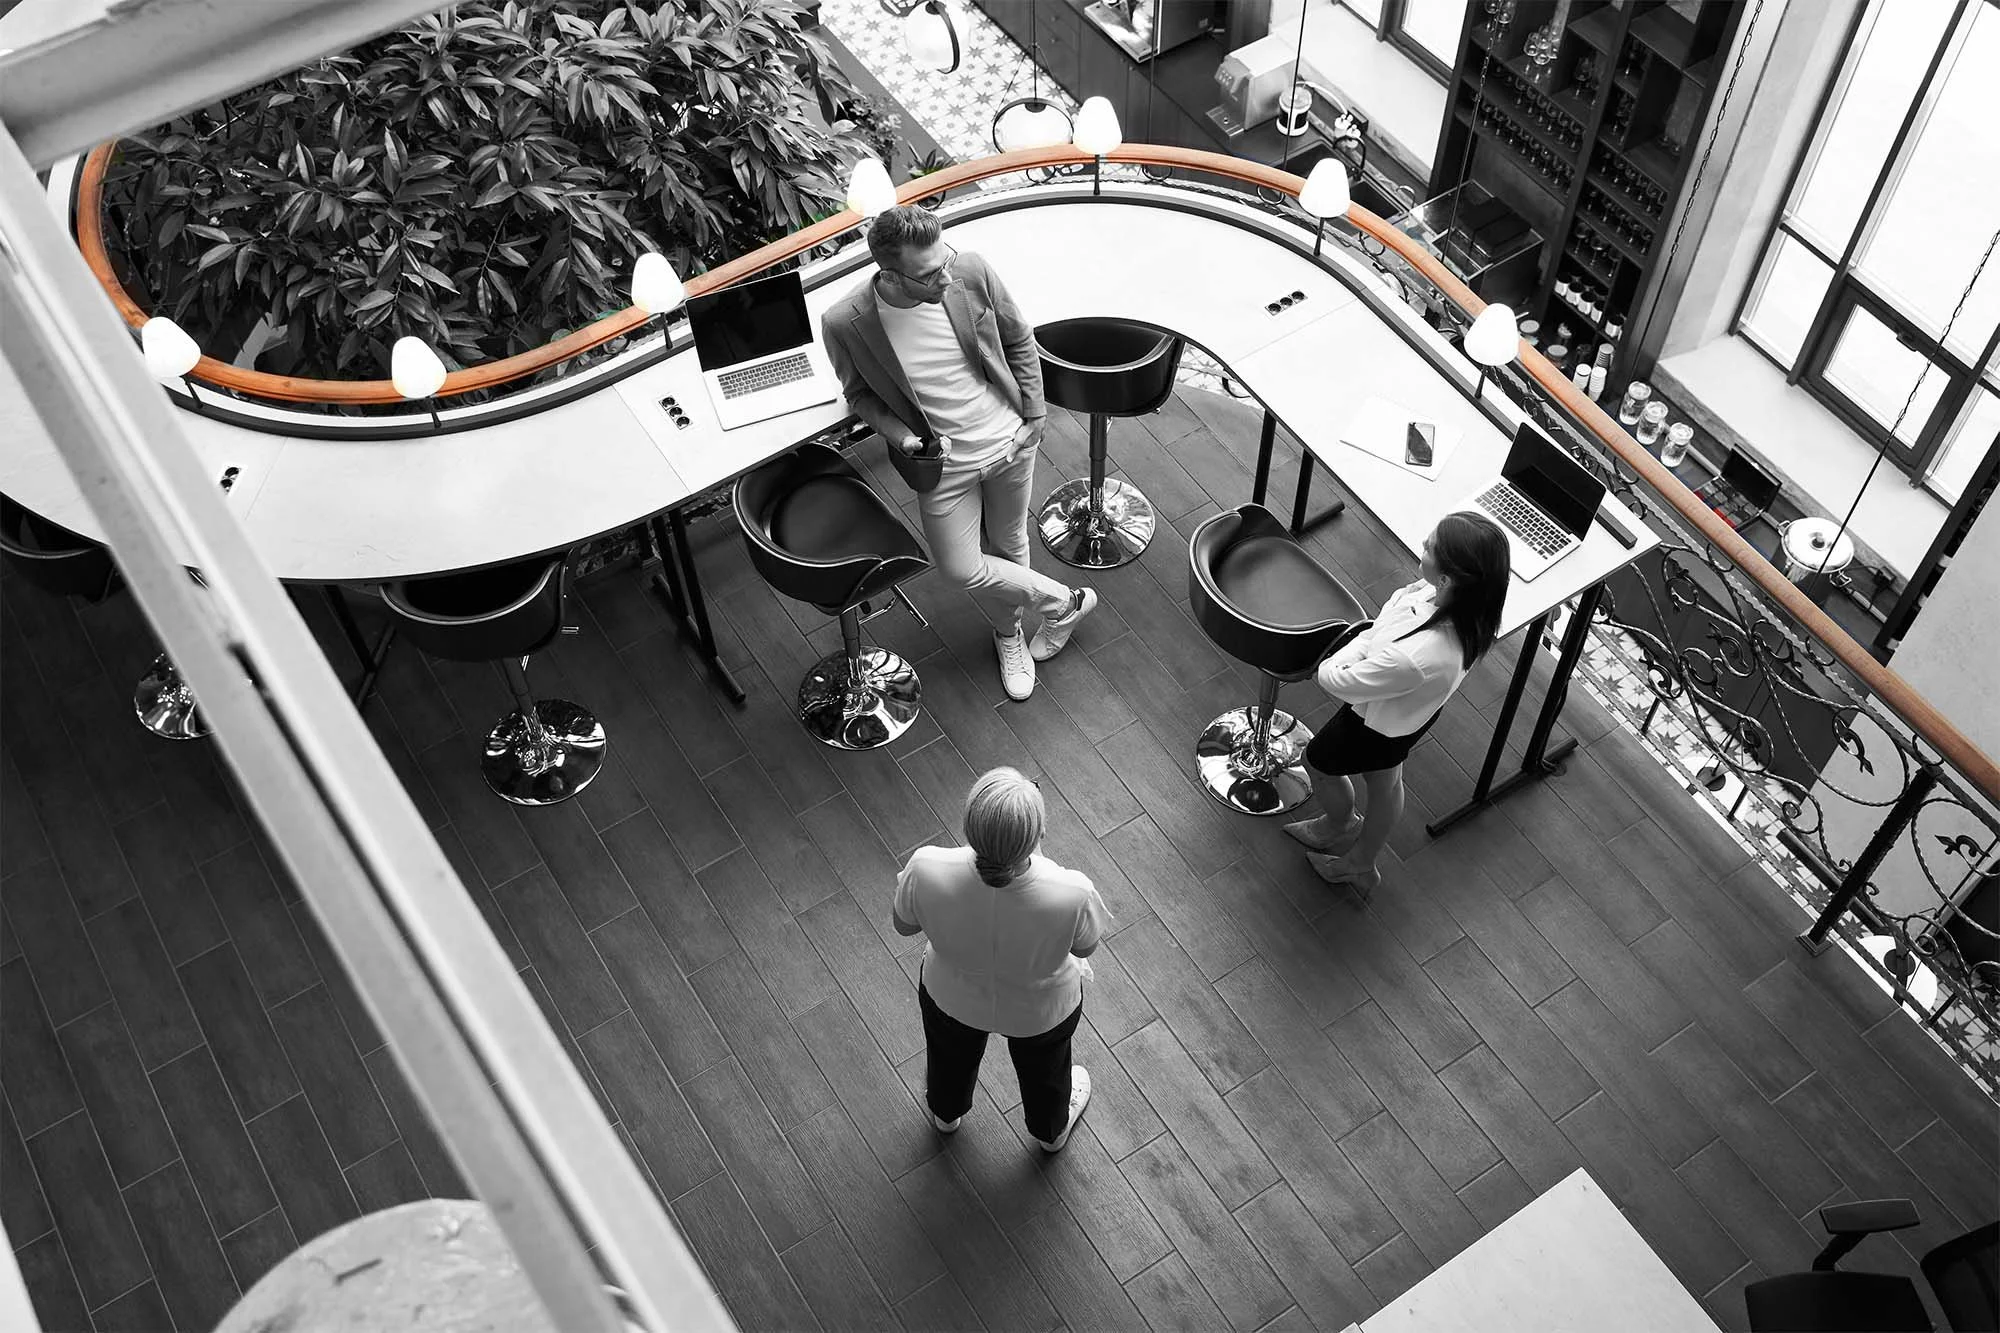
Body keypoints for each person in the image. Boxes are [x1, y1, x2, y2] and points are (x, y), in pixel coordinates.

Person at [822, 205, 1096, 703]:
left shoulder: (969, 269)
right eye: (929, 276)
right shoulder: (846, 322)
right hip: (942, 465)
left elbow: (1018, 338)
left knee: (1010, 543)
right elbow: (858, 393)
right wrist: (903, 438)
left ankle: (1008, 634)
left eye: (944, 259)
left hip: (1009, 440)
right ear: (890, 274)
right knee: (959, 567)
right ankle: (1064, 603)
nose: (946, 278)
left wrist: (1033, 417)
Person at [1287, 511, 1511, 893]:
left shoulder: (1418, 654)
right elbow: (1387, 623)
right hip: (1406, 715)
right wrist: (1371, 642)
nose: (1423, 544)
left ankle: (1340, 823)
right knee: (1388, 780)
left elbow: (1339, 680)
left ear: (1447, 579)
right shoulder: (1466, 608)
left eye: (1430, 547)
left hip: (1374, 724)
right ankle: (1361, 863)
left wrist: (1335, 656)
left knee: (1317, 762)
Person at [892, 767, 1111, 1152]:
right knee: (1047, 1073)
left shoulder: (926, 866)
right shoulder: (1072, 891)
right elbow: (1084, 948)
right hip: (1040, 1012)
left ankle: (945, 1112)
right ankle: (1050, 1132)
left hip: (951, 997)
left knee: (947, 1058)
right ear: (1039, 834)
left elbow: (904, 926)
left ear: (968, 825)